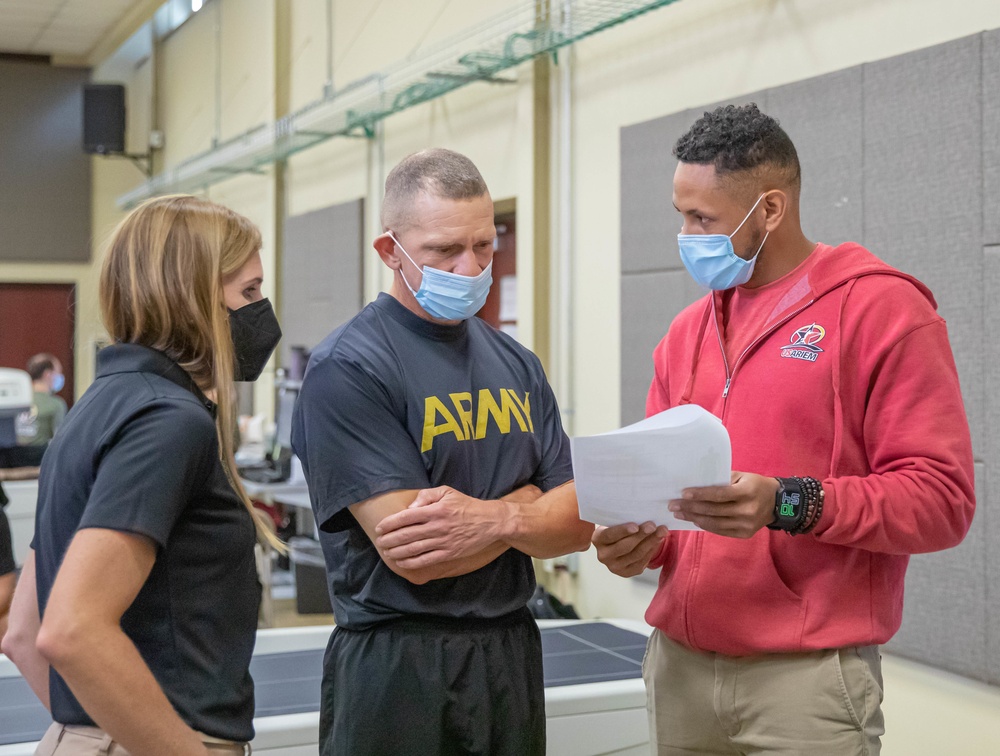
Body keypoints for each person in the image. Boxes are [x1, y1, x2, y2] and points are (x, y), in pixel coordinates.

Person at [592, 104, 975, 755]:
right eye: (681, 214)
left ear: (770, 209)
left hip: (806, 685)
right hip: (678, 668)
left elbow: (942, 501)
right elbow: (665, 507)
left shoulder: (881, 310)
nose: (686, 235)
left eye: (703, 219)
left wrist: (787, 502)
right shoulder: (686, 334)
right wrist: (634, 541)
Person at [291, 148, 592, 756]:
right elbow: (420, 556)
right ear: (390, 252)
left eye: (483, 246)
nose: (469, 267)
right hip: (400, 662)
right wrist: (532, 504)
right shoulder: (348, 368)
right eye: (443, 252)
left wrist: (494, 517)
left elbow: (579, 524)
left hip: (509, 652)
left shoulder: (517, 363)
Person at [2, 194, 283, 756]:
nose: (262, 310)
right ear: (194, 295)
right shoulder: (168, 421)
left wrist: (91, 733)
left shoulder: (97, 407)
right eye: (248, 292)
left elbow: (24, 634)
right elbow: (71, 630)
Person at [19, 354, 69, 447]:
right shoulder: (56, 404)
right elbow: (59, 441)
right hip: (40, 458)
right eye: (58, 372)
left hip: (11, 458)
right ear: (48, 374)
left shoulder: (17, 399)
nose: (61, 376)